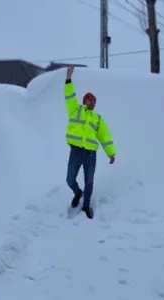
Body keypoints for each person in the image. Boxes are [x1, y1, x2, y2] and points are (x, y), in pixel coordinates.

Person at [63, 65, 116, 219]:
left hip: (90, 154)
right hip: (76, 152)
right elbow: (69, 95)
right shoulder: (75, 110)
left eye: (93, 100)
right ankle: (77, 192)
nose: (91, 101)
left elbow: (104, 137)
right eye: (89, 99)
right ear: (84, 101)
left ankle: (86, 205)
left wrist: (111, 153)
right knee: (69, 179)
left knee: (89, 182)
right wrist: (68, 77)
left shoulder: (98, 119)